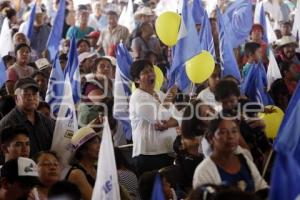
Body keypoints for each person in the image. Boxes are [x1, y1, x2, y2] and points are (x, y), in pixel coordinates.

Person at [193, 116, 268, 192]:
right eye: (223, 132)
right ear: (211, 138)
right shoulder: (203, 172)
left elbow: (262, 188)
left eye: (234, 131)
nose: (231, 136)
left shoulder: (245, 160)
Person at [129, 59, 178, 176]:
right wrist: (170, 97)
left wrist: (167, 124)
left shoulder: (159, 94)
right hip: (148, 154)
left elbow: (178, 117)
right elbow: (160, 117)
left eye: (151, 70)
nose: (150, 74)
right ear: (136, 80)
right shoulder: (138, 97)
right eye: (145, 72)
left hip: (167, 151)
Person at [0, 78, 54, 157]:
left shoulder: (46, 120)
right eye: (26, 94)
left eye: (34, 94)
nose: (31, 98)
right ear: (16, 98)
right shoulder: (7, 123)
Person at [66, 126, 101, 200]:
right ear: (83, 150)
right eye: (95, 143)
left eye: (99, 142)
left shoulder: (97, 168)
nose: (100, 146)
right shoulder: (76, 174)